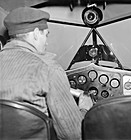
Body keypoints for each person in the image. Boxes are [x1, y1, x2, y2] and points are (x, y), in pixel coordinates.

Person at [0, 7, 93, 140]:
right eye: (46, 35)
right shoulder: (49, 68)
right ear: (36, 33)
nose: (47, 42)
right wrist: (85, 109)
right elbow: (73, 135)